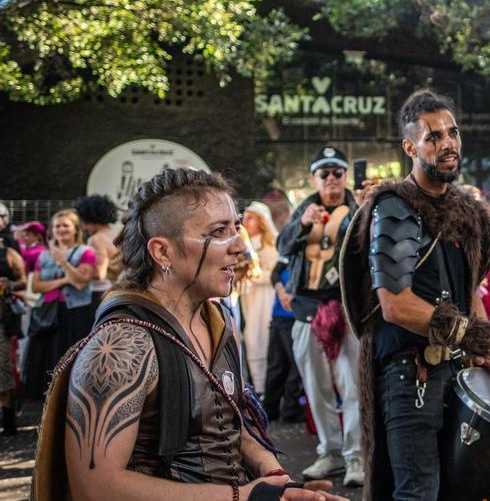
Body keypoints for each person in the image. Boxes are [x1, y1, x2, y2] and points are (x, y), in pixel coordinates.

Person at [31, 167, 346, 501]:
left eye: (236, 227)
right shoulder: (122, 344)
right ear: (162, 252)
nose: (240, 245)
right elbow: (94, 487)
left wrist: (275, 478)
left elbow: (227, 421)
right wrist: (242, 496)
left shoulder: (217, 319)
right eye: (219, 231)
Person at [339, 88, 490, 501]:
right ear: (410, 146)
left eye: (452, 133)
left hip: (454, 372)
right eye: (433, 137)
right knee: (418, 493)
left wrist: (484, 351)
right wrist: (476, 335)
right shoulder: (394, 207)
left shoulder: (466, 209)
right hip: (409, 372)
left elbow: (466, 292)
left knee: (459, 489)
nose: (448, 143)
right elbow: (395, 305)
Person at [275, 146, 362, 486]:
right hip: (308, 312)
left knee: (352, 385)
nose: (331, 179)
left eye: (337, 172)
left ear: (345, 177)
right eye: (323, 173)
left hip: (346, 310)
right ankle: (331, 452)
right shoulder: (302, 211)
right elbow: (282, 250)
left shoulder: (358, 210)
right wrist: (302, 225)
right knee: (316, 385)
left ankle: (356, 456)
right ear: (314, 178)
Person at [23, 209, 97, 398]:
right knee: (45, 360)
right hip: (47, 313)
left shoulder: (86, 252)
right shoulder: (44, 256)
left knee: (70, 358)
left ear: (75, 229)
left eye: (65, 225)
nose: (61, 229)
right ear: (51, 230)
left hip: (75, 313)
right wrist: (64, 281)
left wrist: (63, 263)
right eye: (57, 226)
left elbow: (81, 282)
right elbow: (37, 286)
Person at [239, 202, 279, 394]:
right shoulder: (241, 243)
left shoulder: (270, 245)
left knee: (259, 338)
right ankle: (253, 385)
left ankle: (263, 388)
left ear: (261, 221)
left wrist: (251, 275)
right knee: (247, 338)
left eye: (251, 217)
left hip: (264, 300)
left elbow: (273, 274)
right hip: (245, 299)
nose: (245, 221)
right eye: (245, 216)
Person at [264, 260, 306, 423]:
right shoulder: (292, 251)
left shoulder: (289, 250)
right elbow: (274, 274)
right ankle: (287, 409)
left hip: (287, 315)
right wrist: (282, 293)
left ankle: (274, 409)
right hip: (286, 316)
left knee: (279, 364)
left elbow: (275, 274)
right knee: (290, 364)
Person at [74, 195, 122, 299]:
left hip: (101, 291)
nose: (85, 227)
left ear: (91, 218)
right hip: (119, 289)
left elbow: (100, 273)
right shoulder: (118, 235)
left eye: (86, 222)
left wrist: (76, 269)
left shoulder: (95, 239)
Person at [0, 239, 26, 435]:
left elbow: (24, 281)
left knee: (3, 369)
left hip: (2, 319)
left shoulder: (8, 253)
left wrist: (9, 284)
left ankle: (8, 419)